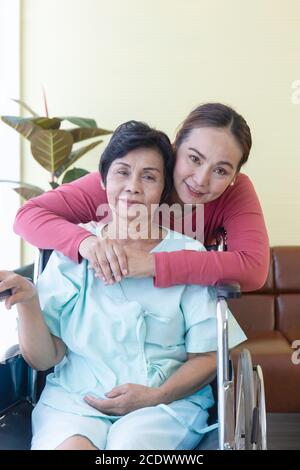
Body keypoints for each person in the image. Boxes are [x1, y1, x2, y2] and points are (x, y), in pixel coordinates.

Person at [0, 121, 246, 450]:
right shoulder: (73, 254)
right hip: (76, 401)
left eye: (148, 176)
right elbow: (45, 359)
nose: (133, 187)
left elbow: (206, 356)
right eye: (122, 172)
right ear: (103, 180)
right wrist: (29, 300)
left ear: (163, 188)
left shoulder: (188, 255)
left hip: (163, 406)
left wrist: (155, 395)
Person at [13, 103, 269, 292]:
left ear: (235, 175)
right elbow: (28, 216)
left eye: (221, 170)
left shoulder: (235, 192)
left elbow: (254, 269)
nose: (202, 179)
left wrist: (152, 263)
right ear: (175, 146)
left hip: (178, 316)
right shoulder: (128, 181)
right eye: (194, 158)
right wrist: (88, 243)